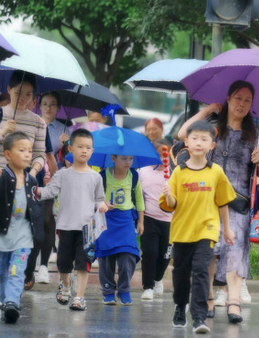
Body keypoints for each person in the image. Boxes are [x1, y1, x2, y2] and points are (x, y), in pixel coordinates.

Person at [177, 80, 259, 323]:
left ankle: (233, 302)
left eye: (247, 100)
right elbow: (183, 135)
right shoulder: (213, 128)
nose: (242, 104)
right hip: (207, 199)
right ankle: (207, 299)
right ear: (228, 98)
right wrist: (207, 111)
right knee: (209, 249)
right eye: (238, 98)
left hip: (238, 202)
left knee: (236, 249)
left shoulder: (255, 135)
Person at [160, 120, 236, 333]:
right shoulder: (179, 173)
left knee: (202, 270)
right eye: (195, 138)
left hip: (207, 230)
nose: (199, 143)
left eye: (204, 139)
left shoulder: (216, 172)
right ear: (186, 142)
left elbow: (222, 202)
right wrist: (168, 195)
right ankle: (180, 305)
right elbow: (172, 205)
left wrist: (227, 229)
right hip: (182, 231)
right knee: (181, 273)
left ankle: (199, 317)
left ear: (212, 145)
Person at [36, 128, 108, 311]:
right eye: (80, 147)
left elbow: (100, 198)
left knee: (83, 263)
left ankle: (80, 297)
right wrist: (37, 191)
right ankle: (66, 284)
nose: (84, 151)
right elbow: (50, 192)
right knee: (62, 263)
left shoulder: (96, 177)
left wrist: (102, 205)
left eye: (88, 148)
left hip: (87, 228)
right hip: (66, 225)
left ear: (92, 151)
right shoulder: (62, 174)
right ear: (70, 148)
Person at [0, 132, 44, 323]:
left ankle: (12, 302)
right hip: (3, 236)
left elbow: (35, 208)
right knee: (1, 272)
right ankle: (4, 300)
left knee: (17, 271)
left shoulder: (31, 181)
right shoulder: (2, 177)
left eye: (30, 151)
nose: (28, 155)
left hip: (23, 237)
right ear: (8, 154)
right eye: (22, 150)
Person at [96, 154, 145, 306]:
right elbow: (94, 196)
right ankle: (108, 291)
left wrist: (141, 222)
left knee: (129, 255)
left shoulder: (134, 176)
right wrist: (103, 203)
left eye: (130, 159)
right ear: (113, 158)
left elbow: (139, 200)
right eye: (124, 158)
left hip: (126, 220)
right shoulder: (102, 176)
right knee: (106, 257)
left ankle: (124, 289)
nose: (128, 162)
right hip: (106, 219)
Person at [32, 92, 69, 285]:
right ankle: (28, 268)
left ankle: (44, 266)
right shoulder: (33, 123)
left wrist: (65, 146)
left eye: (52, 104)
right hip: (30, 176)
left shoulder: (63, 129)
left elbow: (67, 162)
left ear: (58, 107)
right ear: (38, 105)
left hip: (50, 180)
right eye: (45, 104)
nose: (48, 108)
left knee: (47, 220)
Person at [139, 138, 173, 301]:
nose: (162, 159)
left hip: (170, 220)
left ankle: (158, 278)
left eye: (164, 155)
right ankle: (148, 286)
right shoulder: (143, 171)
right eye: (158, 154)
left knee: (165, 254)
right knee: (150, 253)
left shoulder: (175, 173)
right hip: (149, 217)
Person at [0, 71, 46, 177]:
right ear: (9, 89)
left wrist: (32, 173)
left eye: (28, 94)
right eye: (18, 92)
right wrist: (3, 132)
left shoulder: (38, 122)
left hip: (22, 179)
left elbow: (39, 154)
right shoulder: (0, 113)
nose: (23, 98)